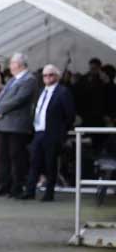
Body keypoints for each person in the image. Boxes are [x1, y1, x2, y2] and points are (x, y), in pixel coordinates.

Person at [23, 64, 75, 201]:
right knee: (34, 162)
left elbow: (69, 115)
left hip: (53, 133)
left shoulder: (63, 92)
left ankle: (49, 193)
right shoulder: (40, 91)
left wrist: (61, 132)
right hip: (38, 131)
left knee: (50, 163)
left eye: (50, 75)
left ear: (57, 76)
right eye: (45, 75)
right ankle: (29, 191)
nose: (47, 77)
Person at [0, 53, 39, 197]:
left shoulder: (29, 79)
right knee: (3, 157)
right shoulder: (12, 80)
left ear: (20, 64)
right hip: (4, 123)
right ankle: (4, 185)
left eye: (12, 63)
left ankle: (17, 186)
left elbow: (19, 99)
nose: (10, 66)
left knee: (16, 157)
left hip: (18, 125)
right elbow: (1, 96)